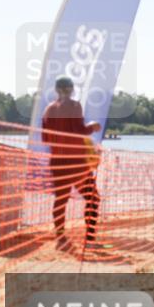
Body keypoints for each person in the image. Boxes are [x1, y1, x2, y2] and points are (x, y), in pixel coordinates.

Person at [41, 76, 106, 258]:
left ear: (56, 90)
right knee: (93, 198)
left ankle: (61, 238)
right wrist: (92, 127)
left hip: (57, 162)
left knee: (60, 200)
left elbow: (45, 139)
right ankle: (90, 239)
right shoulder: (74, 105)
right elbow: (78, 131)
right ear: (70, 90)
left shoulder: (48, 110)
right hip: (76, 163)